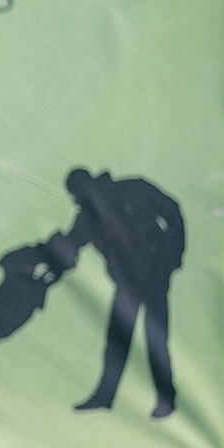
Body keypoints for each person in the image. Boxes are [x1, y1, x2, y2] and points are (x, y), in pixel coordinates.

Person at [62, 168, 184, 416]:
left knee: (155, 338)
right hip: (126, 283)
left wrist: (172, 257)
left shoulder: (134, 188)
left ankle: (166, 399)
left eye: (79, 194)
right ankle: (105, 396)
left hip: (154, 275)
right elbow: (68, 247)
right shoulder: (87, 217)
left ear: (90, 185)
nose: (79, 201)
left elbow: (172, 211)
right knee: (117, 338)